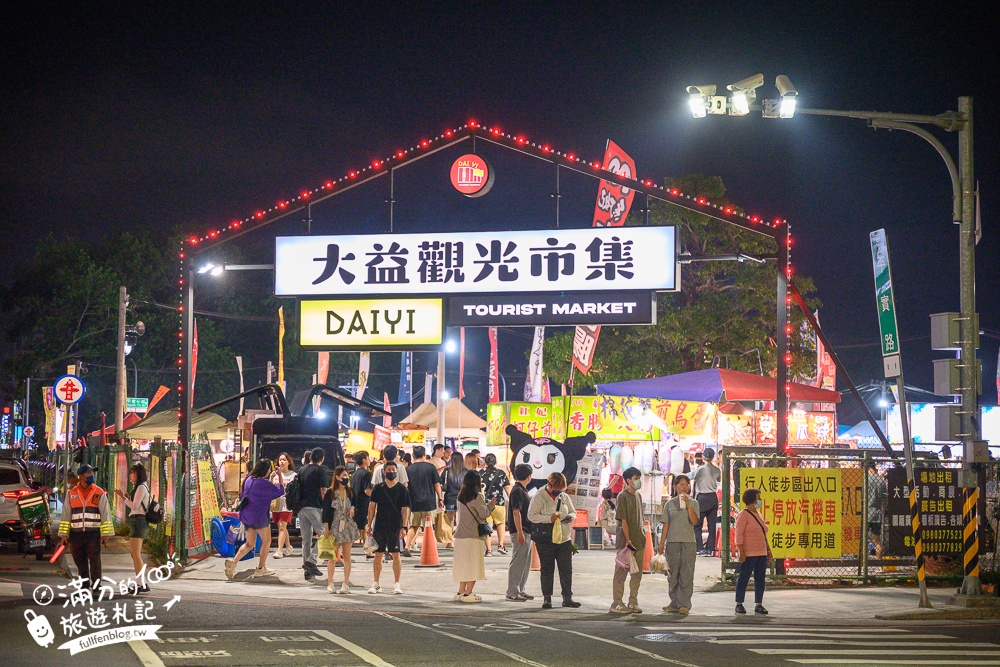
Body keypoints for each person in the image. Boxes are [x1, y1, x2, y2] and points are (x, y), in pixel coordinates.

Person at [527, 472, 580, 609]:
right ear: (549, 485)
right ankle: (547, 598)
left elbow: (574, 512)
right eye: (556, 488)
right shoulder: (539, 496)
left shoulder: (564, 496)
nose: (558, 492)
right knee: (547, 569)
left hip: (563, 538)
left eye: (561, 489)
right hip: (546, 539)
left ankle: (567, 598)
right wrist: (548, 519)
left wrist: (570, 517)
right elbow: (531, 516)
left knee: (566, 569)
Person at [226, 459, 284, 580]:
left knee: (249, 543)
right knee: (266, 541)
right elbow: (280, 491)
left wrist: (270, 479)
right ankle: (260, 569)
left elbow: (262, 491)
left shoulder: (248, 479)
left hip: (246, 515)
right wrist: (279, 475)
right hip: (259, 517)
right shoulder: (263, 483)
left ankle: (233, 563)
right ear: (266, 470)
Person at [58, 464, 114, 590]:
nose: (92, 476)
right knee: (80, 561)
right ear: (81, 476)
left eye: (92, 474)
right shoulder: (71, 493)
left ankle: (96, 586)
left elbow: (105, 514)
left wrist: (106, 535)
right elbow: (66, 515)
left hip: (93, 533)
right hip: (76, 534)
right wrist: (64, 535)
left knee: (95, 561)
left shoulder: (98, 492)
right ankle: (84, 586)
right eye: (89, 474)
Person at [657, 473, 700, 614]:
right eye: (681, 484)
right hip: (673, 542)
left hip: (688, 541)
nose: (684, 487)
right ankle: (674, 603)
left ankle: (684, 604)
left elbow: (694, 521)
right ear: (675, 486)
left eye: (686, 484)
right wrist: (662, 544)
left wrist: (687, 504)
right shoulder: (669, 504)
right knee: (672, 573)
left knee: (686, 573)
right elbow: (666, 525)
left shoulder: (694, 503)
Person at [367, 460, 410, 594]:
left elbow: (405, 509)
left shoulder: (402, 489)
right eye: (389, 470)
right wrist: (369, 524)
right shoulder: (378, 488)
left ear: (397, 472)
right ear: (383, 472)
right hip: (379, 525)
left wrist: (404, 526)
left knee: (396, 554)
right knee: (378, 554)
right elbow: (372, 507)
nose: (391, 472)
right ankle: (376, 583)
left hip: (395, 526)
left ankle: (397, 584)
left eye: (393, 470)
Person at [453, 470, 494, 603]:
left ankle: (460, 591)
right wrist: (491, 504)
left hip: (460, 535)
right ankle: (468, 593)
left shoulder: (460, 496)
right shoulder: (477, 496)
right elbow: (484, 514)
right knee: (474, 565)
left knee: (463, 564)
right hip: (473, 535)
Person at [611, 467, 646, 614]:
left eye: (639, 477)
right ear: (628, 480)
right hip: (626, 542)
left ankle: (633, 601)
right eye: (636, 478)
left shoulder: (638, 496)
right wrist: (627, 539)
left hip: (639, 540)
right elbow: (623, 520)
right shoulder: (622, 496)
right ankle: (617, 602)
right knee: (621, 573)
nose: (638, 481)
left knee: (636, 574)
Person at [733, 487, 771, 615]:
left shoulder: (758, 514)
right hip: (749, 552)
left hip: (761, 551)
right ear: (752, 499)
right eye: (758, 497)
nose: (760, 500)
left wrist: (768, 550)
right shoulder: (743, 515)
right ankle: (739, 603)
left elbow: (763, 533)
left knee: (760, 578)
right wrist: (741, 550)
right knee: (744, 577)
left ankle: (759, 604)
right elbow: (738, 534)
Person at [323, 465, 360, 594]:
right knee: (332, 556)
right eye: (343, 475)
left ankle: (345, 583)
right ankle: (330, 583)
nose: (346, 478)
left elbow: (356, 503)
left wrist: (353, 508)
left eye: (347, 475)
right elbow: (326, 511)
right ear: (337, 477)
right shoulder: (330, 492)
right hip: (334, 525)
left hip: (347, 524)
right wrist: (326, 527)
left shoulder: (350, 491)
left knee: (347, 556)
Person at [402, 445, 443, 556]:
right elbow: (437, 484)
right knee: (428, 527)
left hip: (414, 502)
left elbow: (405, 486)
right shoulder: (431, 467)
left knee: (414, 526)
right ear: (424, 455)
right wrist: (440, 498)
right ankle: (430, 550)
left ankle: (407, 546)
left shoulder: (408, 469)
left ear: (413, 456)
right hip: (429, 502)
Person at [115, 463, 150, 591]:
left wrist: (123, 498)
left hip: (139, 520)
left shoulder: (141, 487)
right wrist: (124, 497)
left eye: (132, 473)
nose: (130, 475)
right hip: (138, 520)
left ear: (138, 474)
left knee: (135, 554)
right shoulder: (140, 487)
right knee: (135, 554)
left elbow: (135, 506)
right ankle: (141, 583)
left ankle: (141, 584)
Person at [298, 448, 332, 581]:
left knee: (306, 539)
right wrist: (327, 506)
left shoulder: (302, 470)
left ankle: (307, 571)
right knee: (325, 533)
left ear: (310, 457)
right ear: (322, 458)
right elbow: (324, 491)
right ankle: (311, 561)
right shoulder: (320, 470)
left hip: (301, 507)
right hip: (315, 507)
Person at [505, 464, 535, 602]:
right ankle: (512, 591)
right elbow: (516, 512)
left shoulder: (521, 490)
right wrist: (520, 532)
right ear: (529, 476)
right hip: (520, 531)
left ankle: (520, 590)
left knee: (524, 562)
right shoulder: (517, 491)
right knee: (518, 562)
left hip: (525, 530)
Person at [691, 447, 721, 555]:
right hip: (713, 498)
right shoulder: (717, 470)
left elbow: (689, 476)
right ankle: (710, 548)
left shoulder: (700, 469)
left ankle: (699, 548)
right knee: (712, 525)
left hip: (702, 498)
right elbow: (718, 480)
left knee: (697, 525)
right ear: (713, 457)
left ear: (703, 457)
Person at [481, 453, 511, 556]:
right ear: (495, 461)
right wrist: (512, 500)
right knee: (500, 523)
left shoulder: (480, 473)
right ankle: (501, 545)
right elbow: (507, 488)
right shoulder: (501, 473)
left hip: (485, 504)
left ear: (485, 461)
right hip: (498, 503)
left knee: (487, 526)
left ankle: (488, 550)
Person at [270, 452, 296, 559]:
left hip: (287, 504)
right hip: (276, 504)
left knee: (282, 527)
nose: (281, 462)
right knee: (281, 527)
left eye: (284, 460)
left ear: (289, 462)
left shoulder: (293, 475)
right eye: (280, 460)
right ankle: (288, 546)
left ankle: (279, 550)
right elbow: (271, 489)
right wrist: (271, 479)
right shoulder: (275, 475)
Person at [440, 451, 465, 549]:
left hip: (450, 497)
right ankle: (461, 540)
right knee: (461, 519)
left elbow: (440, 482)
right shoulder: (465, 472)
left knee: (450, 520)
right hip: (462, 498)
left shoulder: (447, 472)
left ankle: (450, 541)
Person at [351, 451, 372, 537]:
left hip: (355, 503)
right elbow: (367, 491)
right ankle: (368, 548)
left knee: (358, 527)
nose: (369, 460)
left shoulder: (355, 474)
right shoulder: (367, 474)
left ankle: (367, 548)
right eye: (368, 458)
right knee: (366, 526)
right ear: (364, 460)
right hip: (364, 504)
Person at [866, 466, 886, 559]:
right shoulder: (881, 481)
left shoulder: (865, 479)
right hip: (877, 512)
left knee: (863, 539)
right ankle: (879, 562)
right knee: (877, 540)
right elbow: (885, 499)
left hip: (866, 512)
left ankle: (863, 564)